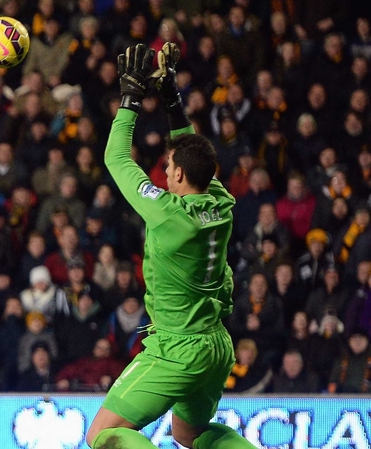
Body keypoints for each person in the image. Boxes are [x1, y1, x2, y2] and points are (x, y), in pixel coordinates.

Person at [86, 43, 256, 449]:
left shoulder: (168, 213)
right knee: (189, 436)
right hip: (216, 344)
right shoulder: (220, 200)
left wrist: (130, 95)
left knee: (102, 435)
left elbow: (115, 158)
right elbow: (195, 152)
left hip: (177, 347)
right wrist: (171, 99)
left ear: (178, 175)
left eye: (167, 167)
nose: (163, 171)